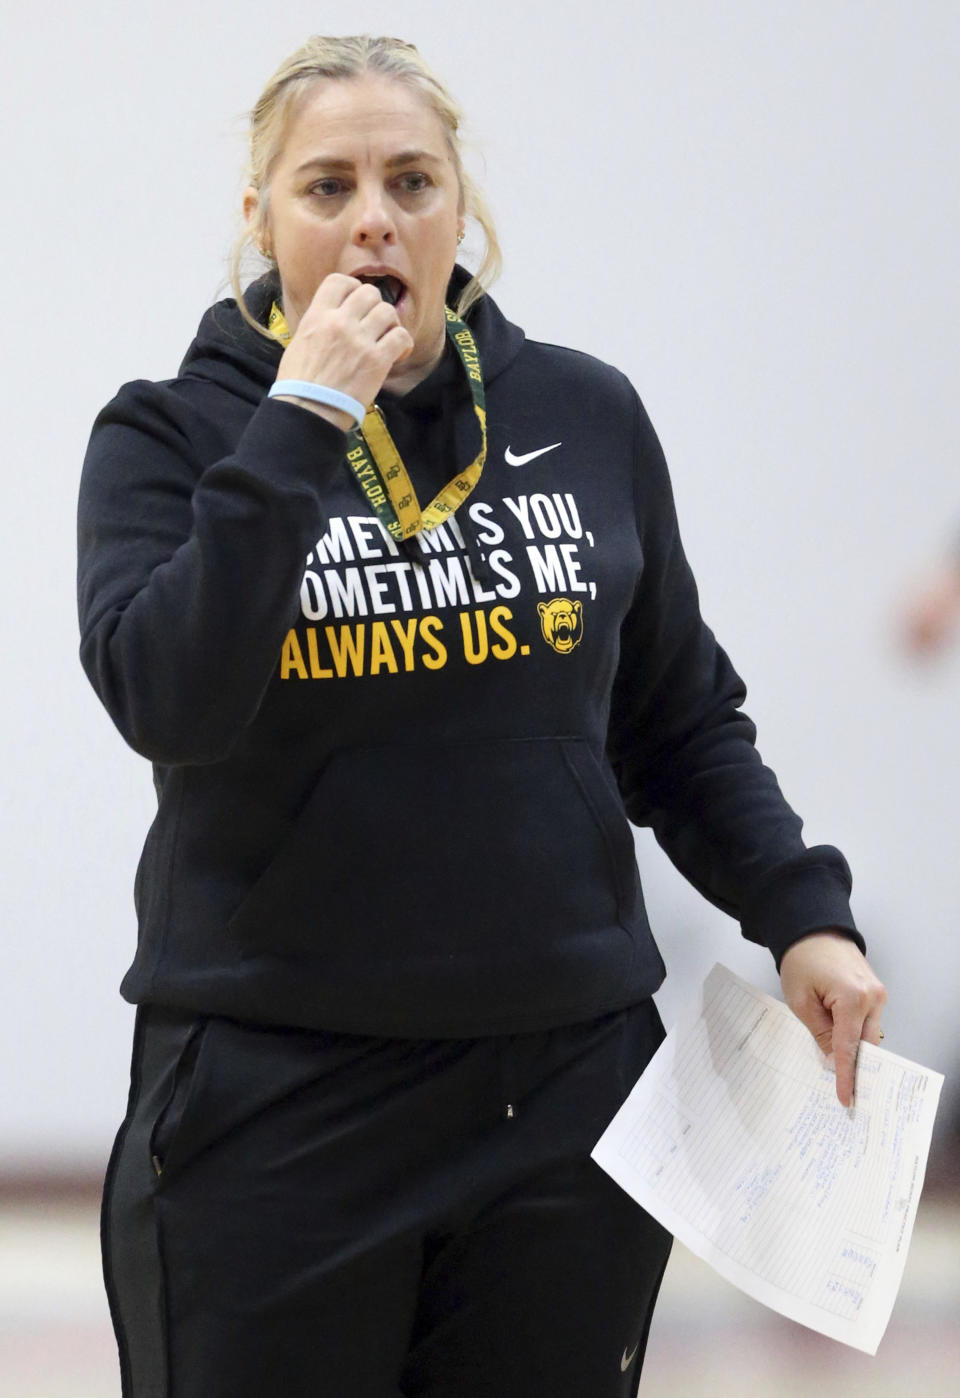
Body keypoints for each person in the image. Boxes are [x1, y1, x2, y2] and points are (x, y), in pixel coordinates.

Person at [77, 34, 887, 1398]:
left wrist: (802, 908)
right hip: (278, 1096)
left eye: (411, 178)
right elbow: (171, 694)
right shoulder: (170, 435)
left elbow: (678, 713)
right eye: (326, 186)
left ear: (465, 213)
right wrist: (303, 418)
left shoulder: (586, 411)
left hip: (563, 1096)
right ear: (260, 219)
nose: (374, 216)